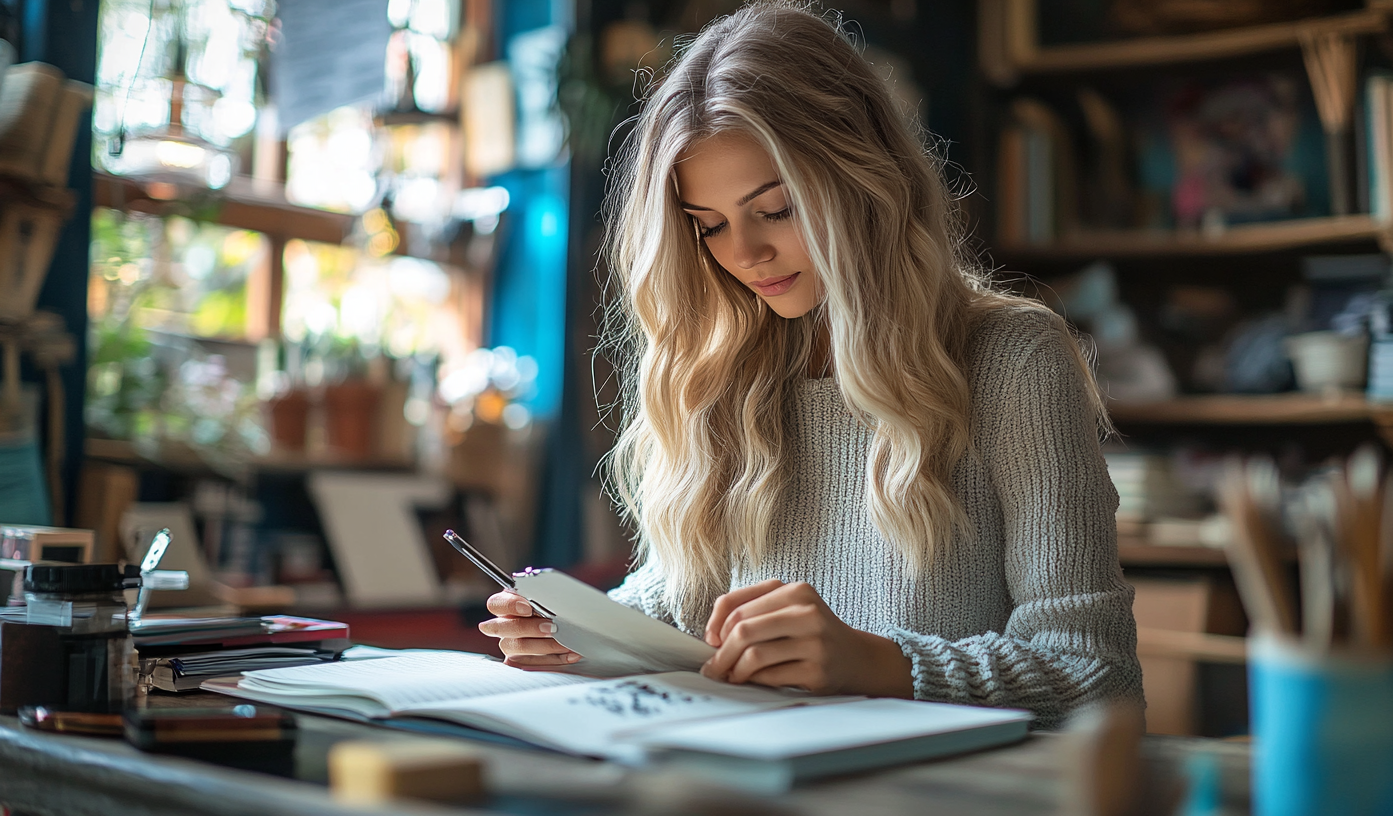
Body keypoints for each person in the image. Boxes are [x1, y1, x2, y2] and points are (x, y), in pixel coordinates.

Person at [479, 1, 1143, 729]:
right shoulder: (726, 371)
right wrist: (579, 629)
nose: (744, 254)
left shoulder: (1012, 359)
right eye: (710, 226)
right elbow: (682, 605)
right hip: (757, 768)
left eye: (776, 209)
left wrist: (882, 665)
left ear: (863, 176)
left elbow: (1095, 675)